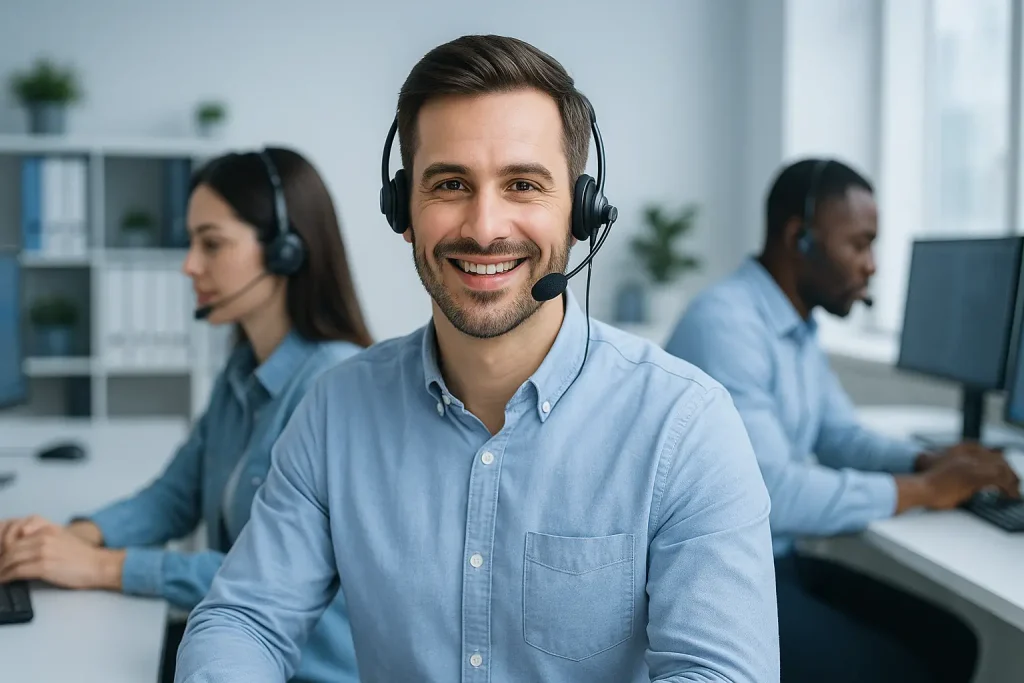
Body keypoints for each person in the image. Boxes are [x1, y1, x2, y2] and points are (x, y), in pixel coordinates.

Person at [172, 34, 780, 683]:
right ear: (402, 209)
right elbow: (243, 618)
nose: (485, 226)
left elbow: (721, 673)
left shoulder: (686, 426)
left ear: (579, 211)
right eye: (451, 184)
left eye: (523, 184)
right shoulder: (335, 413)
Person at [0, 147, 373, 683]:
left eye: (211, 243)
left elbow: (268, 578)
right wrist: (76, 537)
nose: (189, 264)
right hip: (236, 650)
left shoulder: (335, 388)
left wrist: (102, 567)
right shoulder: (242, 371)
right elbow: (174, 496)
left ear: (286, 252)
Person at [664, 157, 1022, 683]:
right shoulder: (727, 325)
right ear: (799, 238)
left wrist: (927, 461)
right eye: (859, 244)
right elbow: (772, 495)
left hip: (770, 561)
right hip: (715, 579)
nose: (871, 265)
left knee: (952, 643)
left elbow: (839, 435)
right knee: (910, 669)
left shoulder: (796, 327)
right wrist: (924, 490)